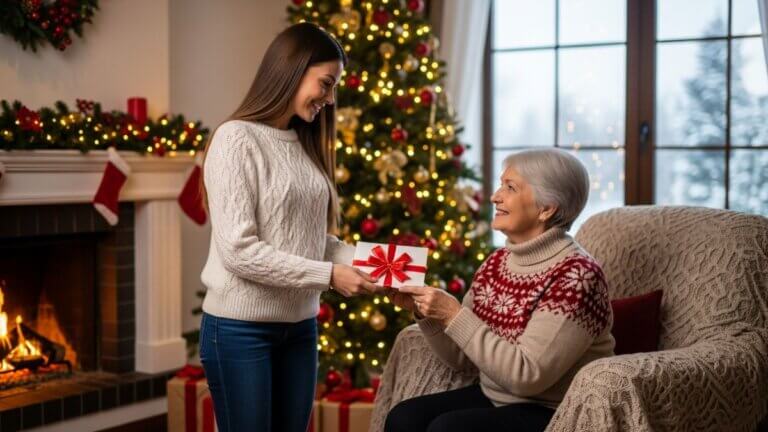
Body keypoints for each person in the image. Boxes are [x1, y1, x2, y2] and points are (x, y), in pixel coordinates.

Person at [198, 22, 384, 432]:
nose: (330, 99)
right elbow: (239, 251)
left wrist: (382, 265)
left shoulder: (302, 144)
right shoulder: (235, 140)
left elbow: (310, 241)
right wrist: (330, 276)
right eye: (326, 83)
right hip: (239, 330)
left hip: (299, 328)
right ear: (293, 71)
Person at [385, 148, 616, 432]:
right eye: (500, 185)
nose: (495, 196)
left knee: (448, 429)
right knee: (403, 417)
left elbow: (527, 376)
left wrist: (454, 314)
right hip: (497, 398)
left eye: (510, 187)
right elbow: (462, 359)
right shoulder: (498, 261)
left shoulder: (577, 275)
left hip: (555, 409)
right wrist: (428, 313)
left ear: (546, 208)